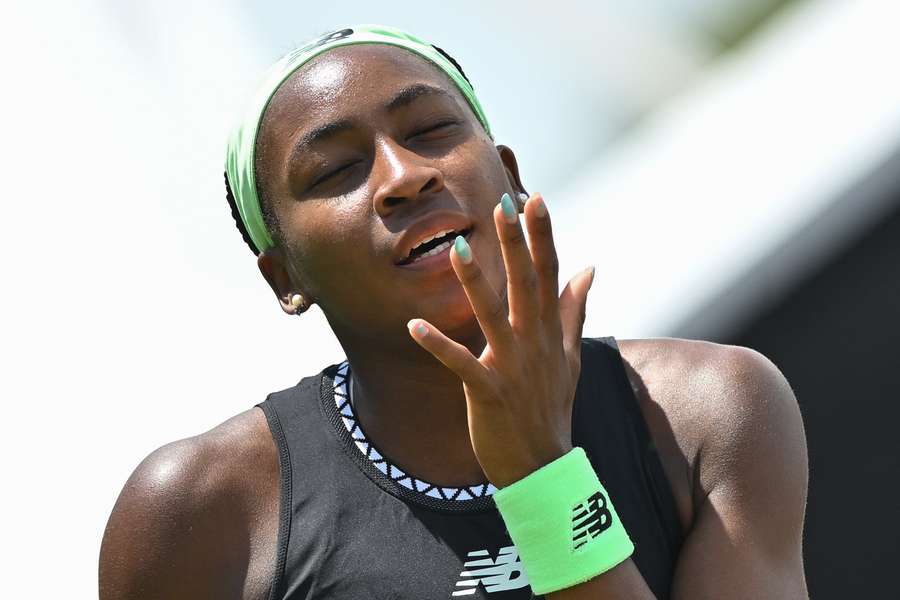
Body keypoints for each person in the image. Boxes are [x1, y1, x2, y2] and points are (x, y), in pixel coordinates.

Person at [99, 25, 809, 599]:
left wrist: (541, 477)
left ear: (511, 174)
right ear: (285, 276)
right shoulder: (203, 514)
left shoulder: (708, 415)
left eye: (431, 128)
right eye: (335, 171)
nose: (405, 177)